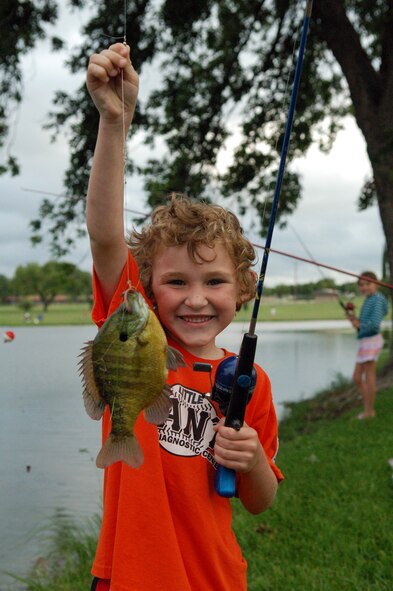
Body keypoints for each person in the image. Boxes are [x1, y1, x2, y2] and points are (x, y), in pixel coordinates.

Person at [85, 43, 283, 591]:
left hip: (214, 577)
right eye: (175, 282)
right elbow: (104, 234)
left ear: (243, 289)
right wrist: (114, 122)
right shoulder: (131, 327)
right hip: (129, 573)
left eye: (214, 281)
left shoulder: (249, 382)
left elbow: (261, 502)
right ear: (146, 288)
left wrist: (253, 463)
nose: (195, 298)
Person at [347, 271, 388, 420]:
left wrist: (359, 324)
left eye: (368, 284)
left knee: (369, 377)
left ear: (376, 284)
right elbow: (364, 326)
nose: (364, 287)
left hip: (371, 341)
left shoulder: (376, 300)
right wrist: (355, 322)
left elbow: (374, 325)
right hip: (366, 341)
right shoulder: (370, 299)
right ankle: (368, 407)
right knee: (357, 377)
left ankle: (369, 411)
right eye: (361, 285)